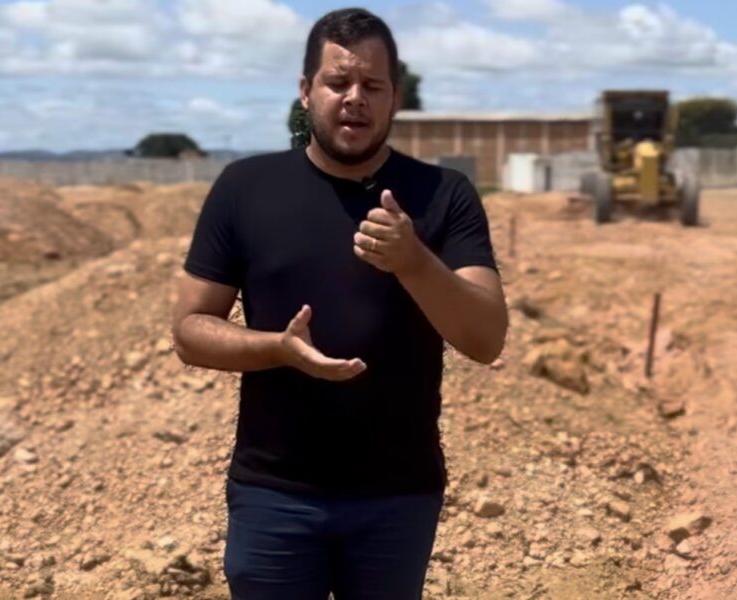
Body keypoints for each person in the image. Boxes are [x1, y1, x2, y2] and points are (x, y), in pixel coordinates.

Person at [169, 7, 508, 599]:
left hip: (398, 496)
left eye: (373, 85)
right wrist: (278, 348)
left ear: (395, 98)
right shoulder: (245, 189)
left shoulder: (444, 195)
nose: (355, 98)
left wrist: (413, 261)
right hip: (273, 494)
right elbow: (190, 331)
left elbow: (486, 338)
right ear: (306, 92)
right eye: (338, 82)